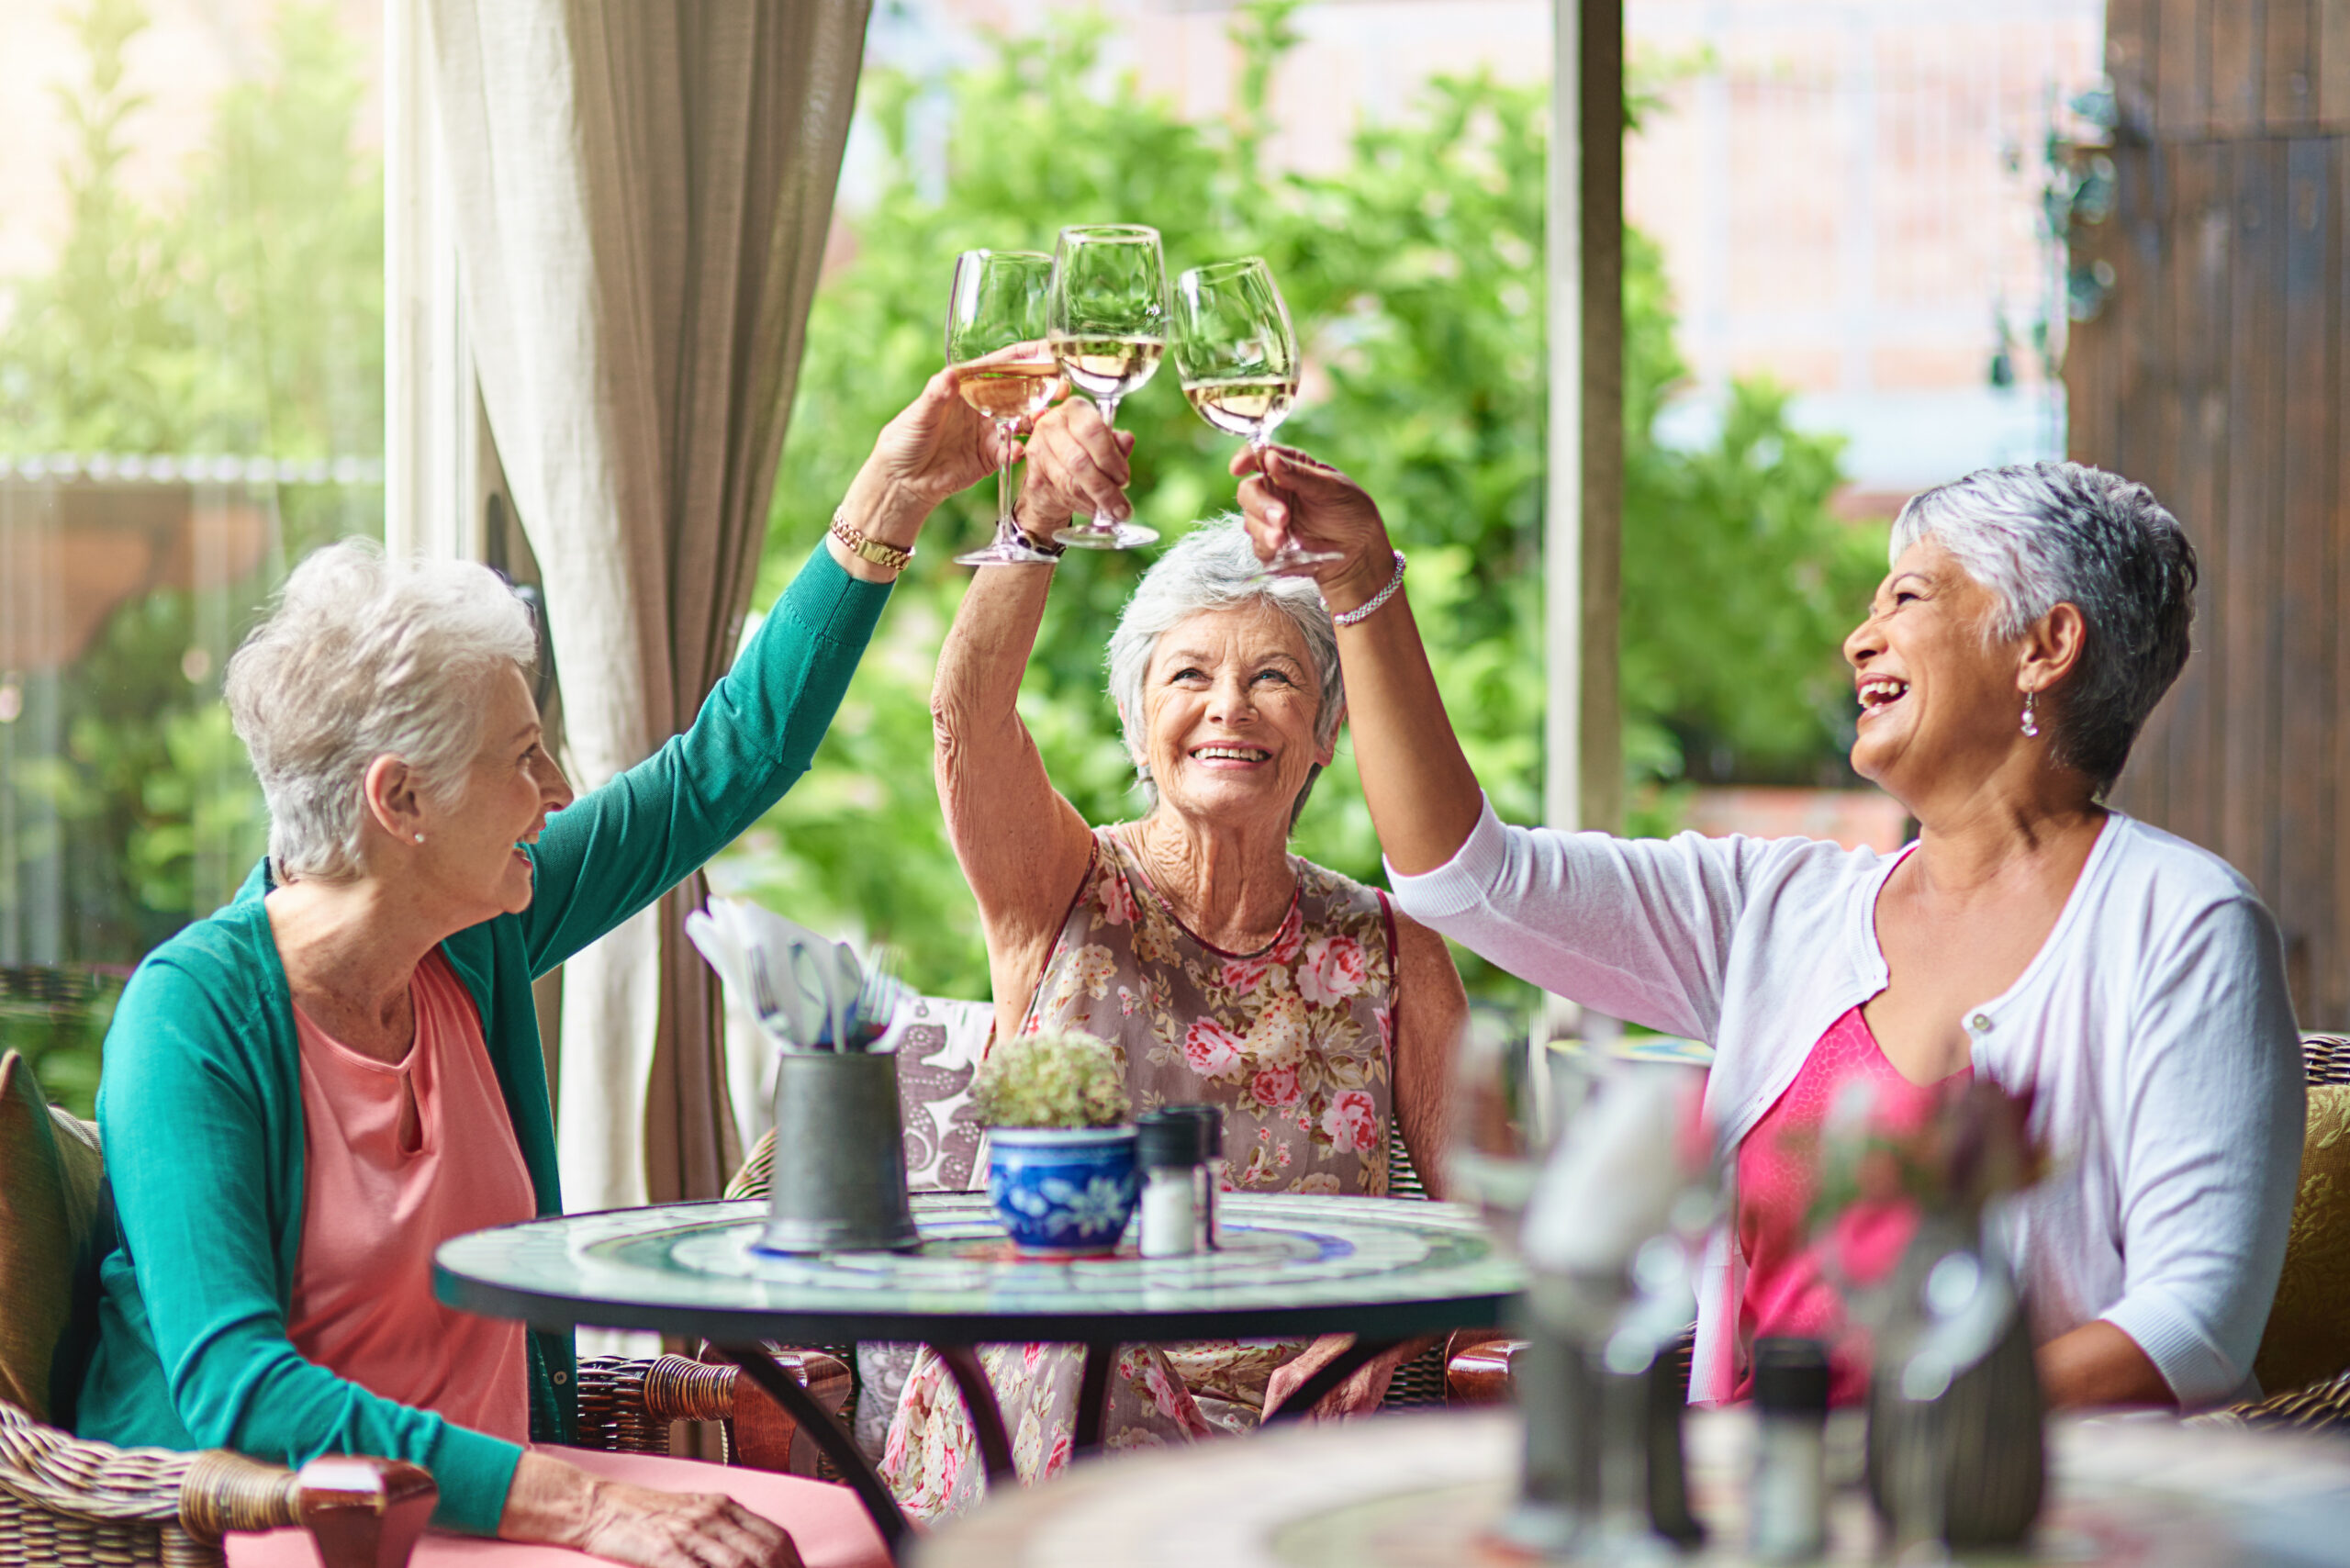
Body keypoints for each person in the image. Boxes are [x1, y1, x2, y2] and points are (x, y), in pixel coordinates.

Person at [73, 372, 1015, 1568]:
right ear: (400, 801)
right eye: (525, 758)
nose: (558, 791)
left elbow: (725, 764)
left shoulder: (466, 933)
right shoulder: (191, 1018)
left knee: (851, 1534)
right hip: (297, 1522)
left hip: (503, 1498)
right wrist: (581, 1503)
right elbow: (240, 1390)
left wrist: (896, 488)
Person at [1232, 447, 2304, 1411]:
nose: (1858, 635)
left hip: (2024, 1514)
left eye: (1908, 595)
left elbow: (2191, 1328)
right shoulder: (1782, 910)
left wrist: (1885, 1439)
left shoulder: (2184, 923)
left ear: (2045, 644)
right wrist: (1362, 586)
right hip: (1765, 1509)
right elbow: (1465, 879)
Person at [879, 399, 1467, 1518]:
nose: (1226, 709)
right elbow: (966, 719)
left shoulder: (1390, 944)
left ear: (1326, 733)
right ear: (1136, 717)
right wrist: (1035, 528)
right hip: (1042, 1416)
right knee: (1064, 1319)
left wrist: (1385, 1324)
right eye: (1187, 676)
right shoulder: (1059, 884)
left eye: (1274, 679)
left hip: (1275, 1443)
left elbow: (1493, 1212)